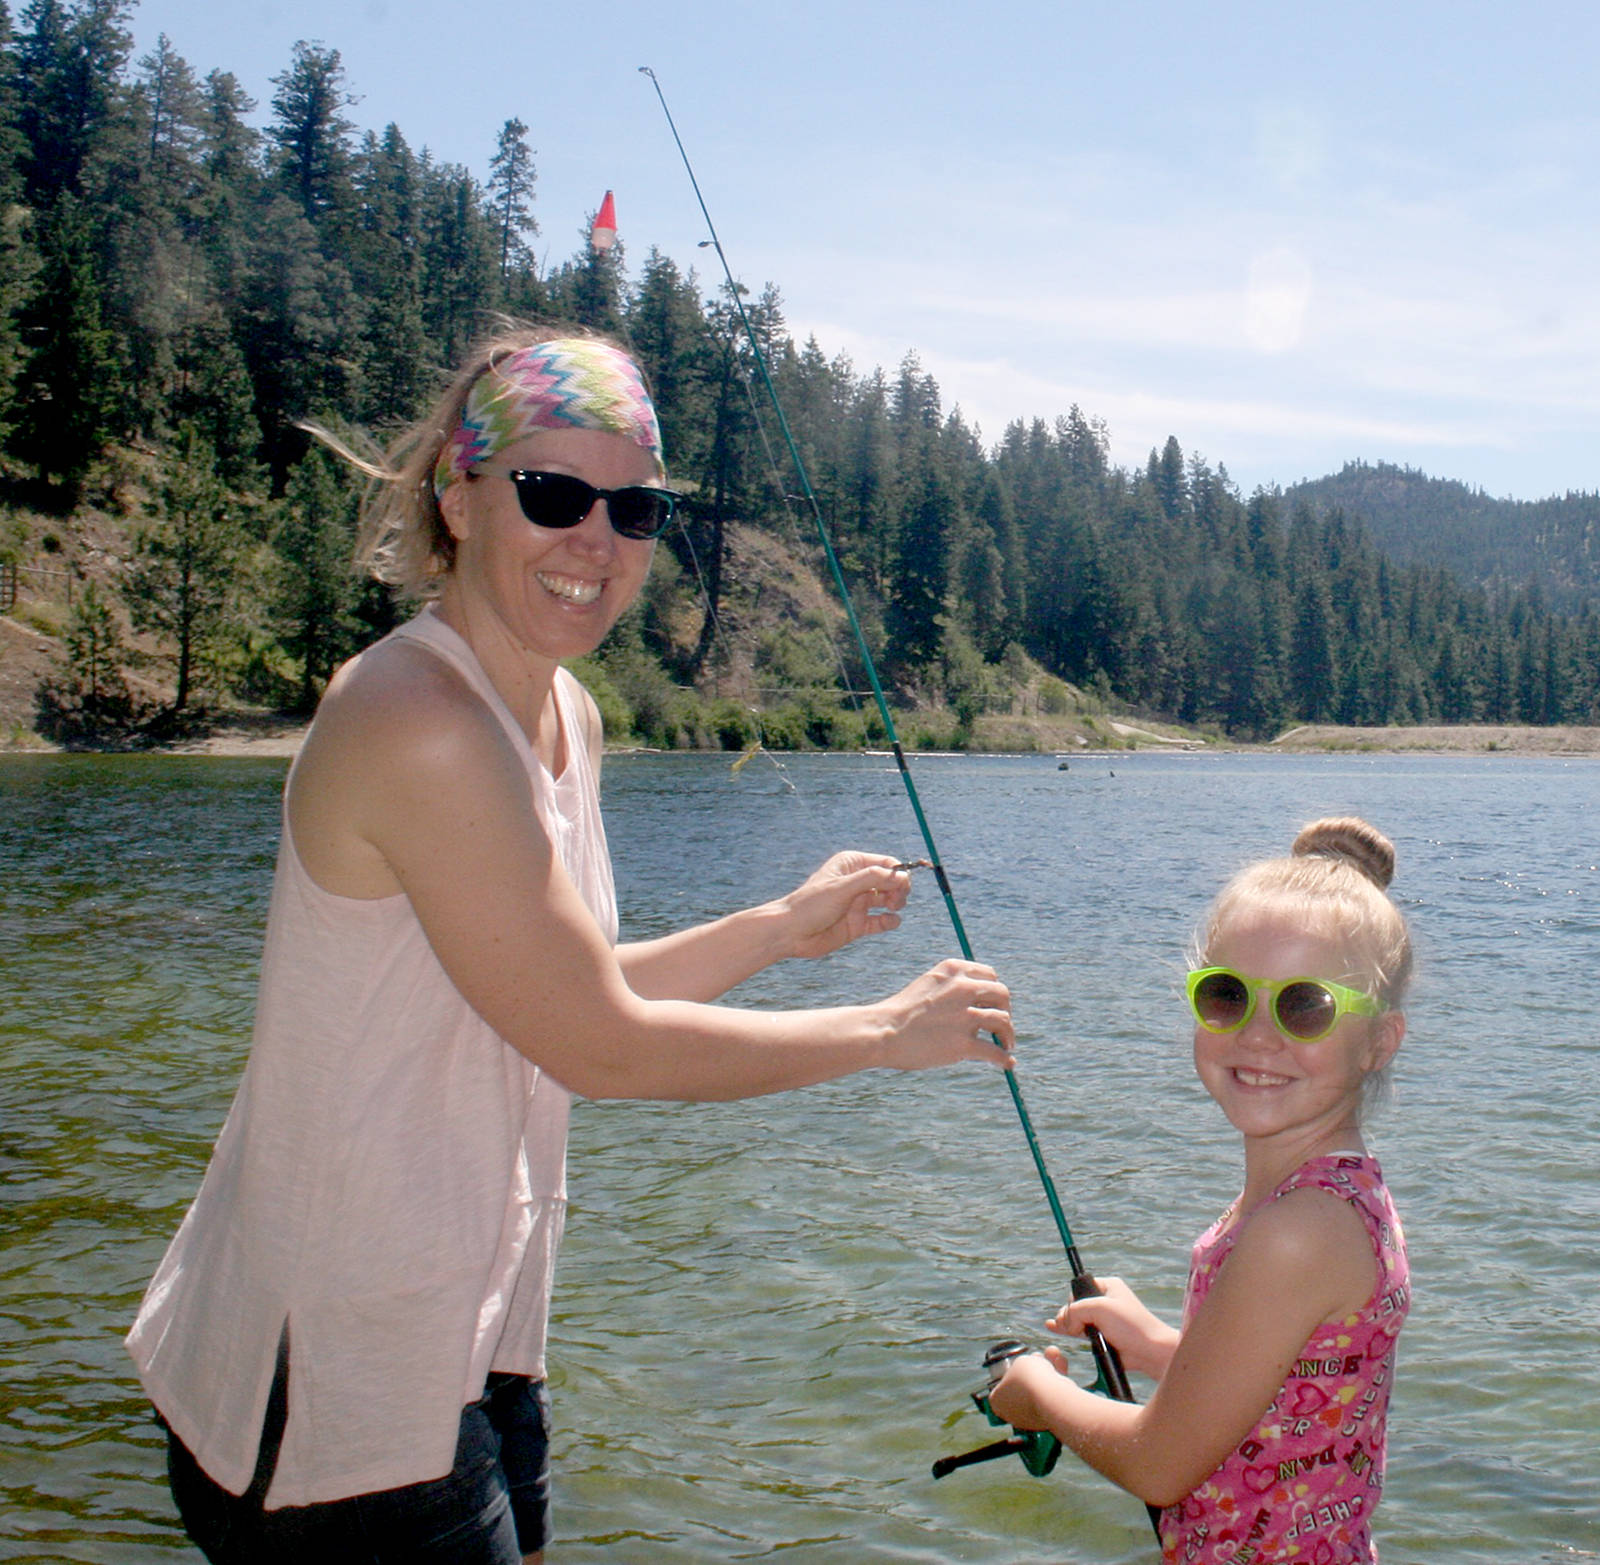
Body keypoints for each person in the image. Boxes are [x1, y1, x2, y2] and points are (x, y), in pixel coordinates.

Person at [126, 327, 1015, 1564]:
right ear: (459, 496)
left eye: (636, 506)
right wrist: (880, 1033)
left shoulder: (563, 708)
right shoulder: (417, 720)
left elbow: (549, 991)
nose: (597, 540)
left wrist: (772, 931)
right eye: (554, 493)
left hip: (469, 1327)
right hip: (334, 1357)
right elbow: (599, 1045)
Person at [989, 816, 1410, 1564]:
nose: (1256, 1033)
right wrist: (1155, 1344)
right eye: (1226, 995)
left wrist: (1034, 1392)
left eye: (1304, 1004)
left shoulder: (1299, 1228)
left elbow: (1158, 1464)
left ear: (1380, 1040)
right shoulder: (1327, 1194)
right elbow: (1294, 1380)